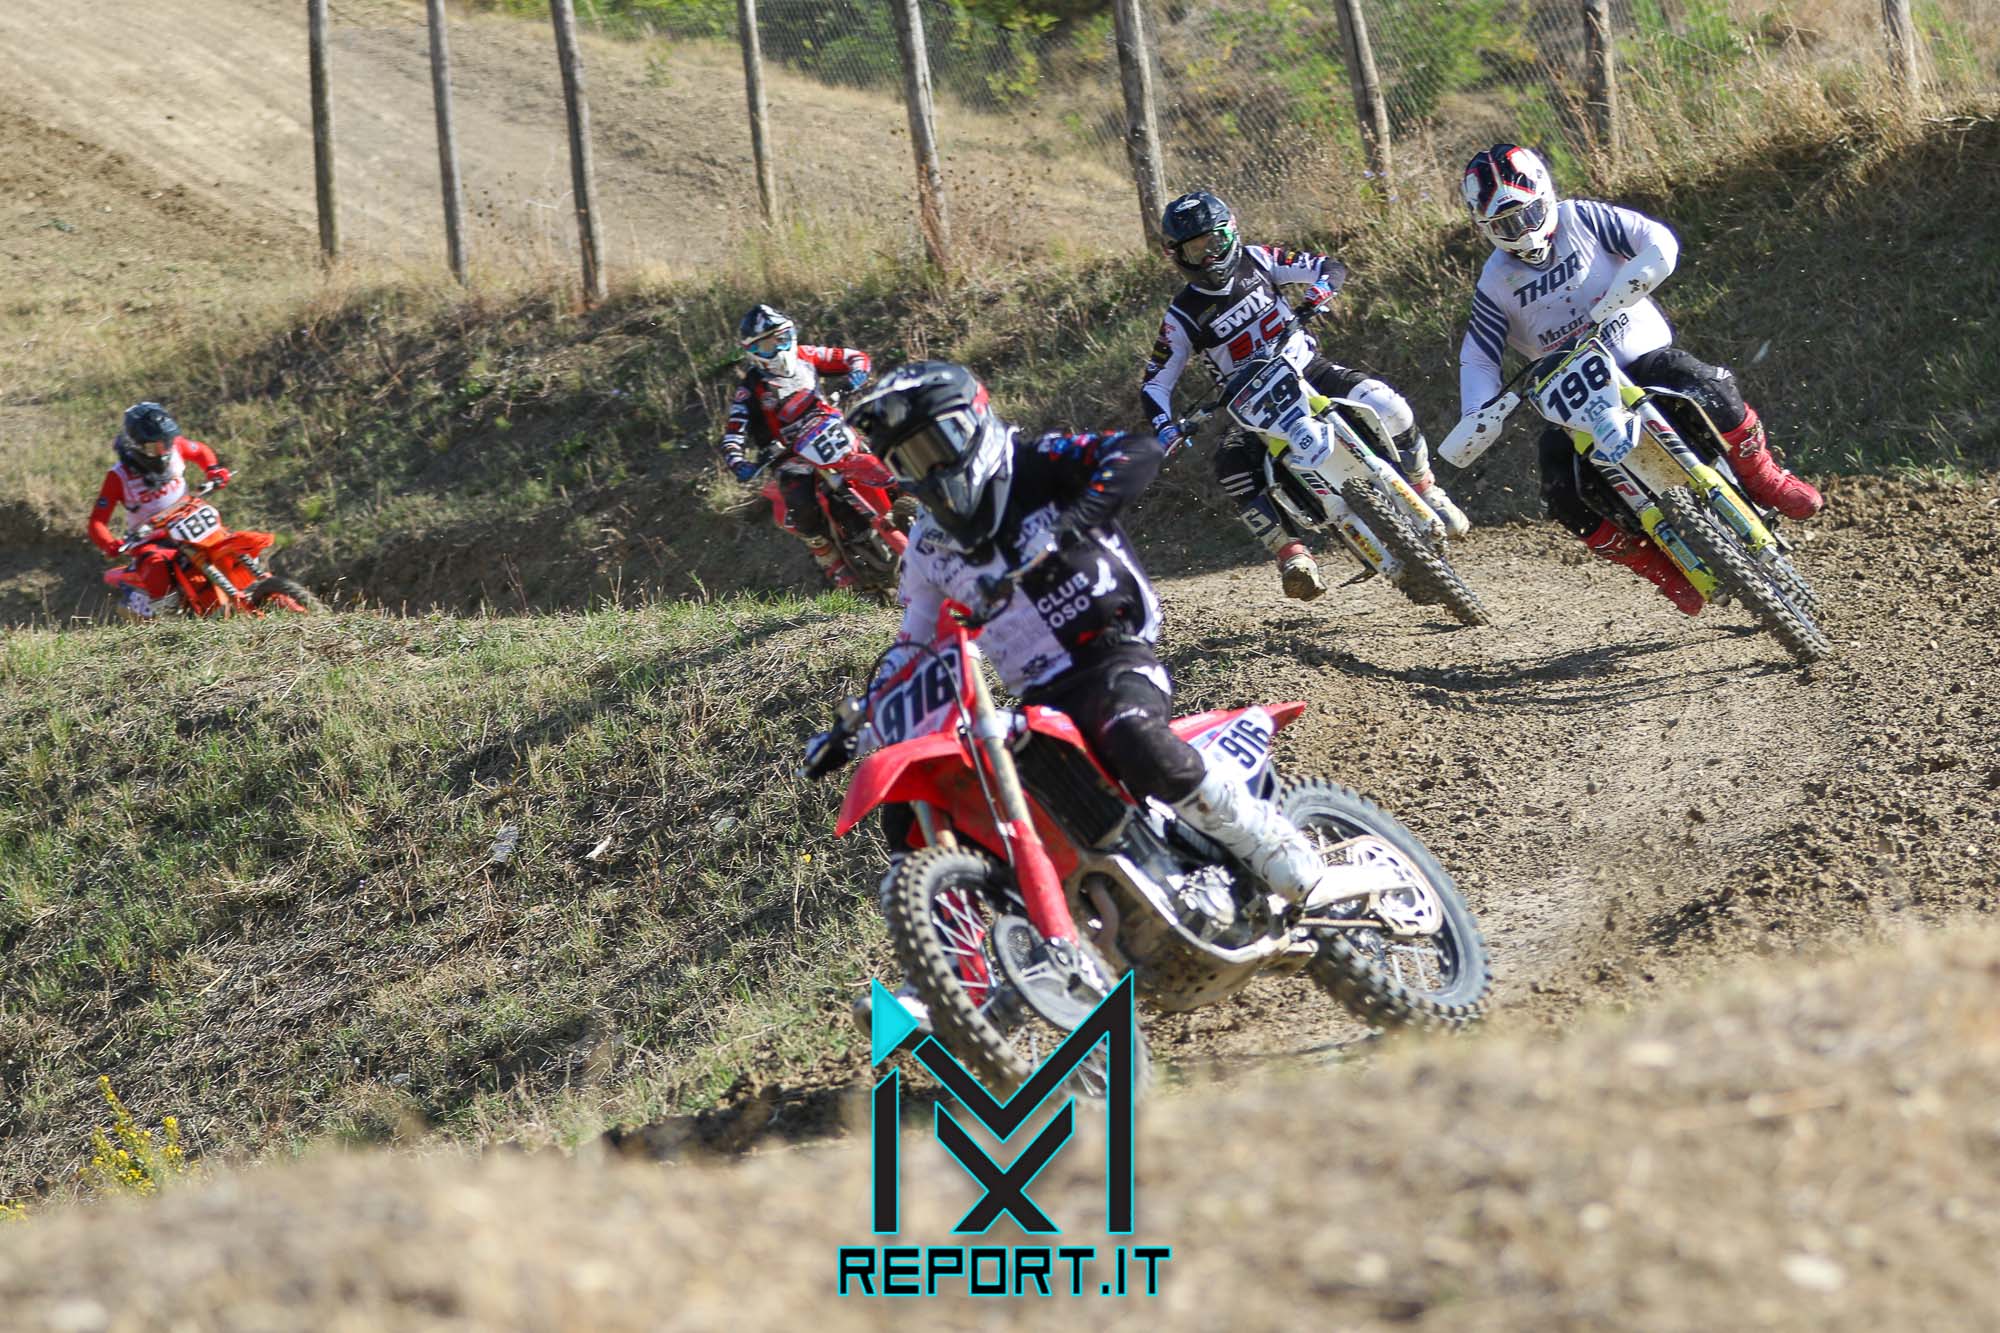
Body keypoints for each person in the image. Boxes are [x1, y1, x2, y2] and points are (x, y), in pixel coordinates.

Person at [804, 361, 1381, 1034]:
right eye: (908, 459)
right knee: (921, 798)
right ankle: (950, 972)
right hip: (1036, 693)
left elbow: (1134, 452)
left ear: (973, 422)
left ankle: (1274, 845)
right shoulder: (930, 544)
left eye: (935, 446)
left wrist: (1072, 521)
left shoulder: (1034, 463)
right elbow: (916, 637)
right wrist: (862, 715)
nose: (928, 470)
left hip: (1111, 653)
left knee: (1128, 733)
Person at [1455, 143, 1824, 615]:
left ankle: (1765, 477)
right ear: (1484, 228)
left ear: (1546, 196)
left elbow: (1656, 239)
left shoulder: (1582, 218)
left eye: (1528, 215)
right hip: (1576, 399)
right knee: (1559, 489)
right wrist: (1478, 412)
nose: (1523, 232)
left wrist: (1634, 278)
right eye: (1506, 226)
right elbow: (1479, 356)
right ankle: (1660, 569)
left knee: (1705, 383)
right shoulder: (1494, 282)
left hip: (1639, 357)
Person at [1140, 189, 1469, 602]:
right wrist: (1165, 427)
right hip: (1250, 405)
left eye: (1215, 242)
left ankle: (1425, 488)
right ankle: (1292, 555)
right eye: (1196, 249)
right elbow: (1154, 383)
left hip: (1307, 370)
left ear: (1231, 233)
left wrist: (1321, 291)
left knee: (1388, 404)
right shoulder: (1181, 316)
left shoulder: (1259, 260)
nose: (1209, 256)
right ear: (1178, 256)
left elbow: (1327, 266)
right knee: (1231, 466)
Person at [720, 304, 878, 589]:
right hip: (790, 454)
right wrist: (738, 462)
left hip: (832, 430)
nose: (778, 348)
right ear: (752, 350)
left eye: (782, 338)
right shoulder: (750, 389)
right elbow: (734, 432)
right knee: (800, 500)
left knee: (882, 447)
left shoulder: (807, 355)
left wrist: (856, 373)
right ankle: (828, 557)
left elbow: (855, 356)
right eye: (767, 344)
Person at [87, 402, 232, 619]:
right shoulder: (118, 477)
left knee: (223, 538)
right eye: (155, 447)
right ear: (135, 446)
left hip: (187, 520)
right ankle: (170, 620)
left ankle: (251, 578)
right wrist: (110, 544)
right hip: (151, 538)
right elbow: (97, 522)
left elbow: (200, 450)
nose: (164, 451)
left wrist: (213, 470)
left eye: (167, 442)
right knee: (156, 564)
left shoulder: (176, 447)